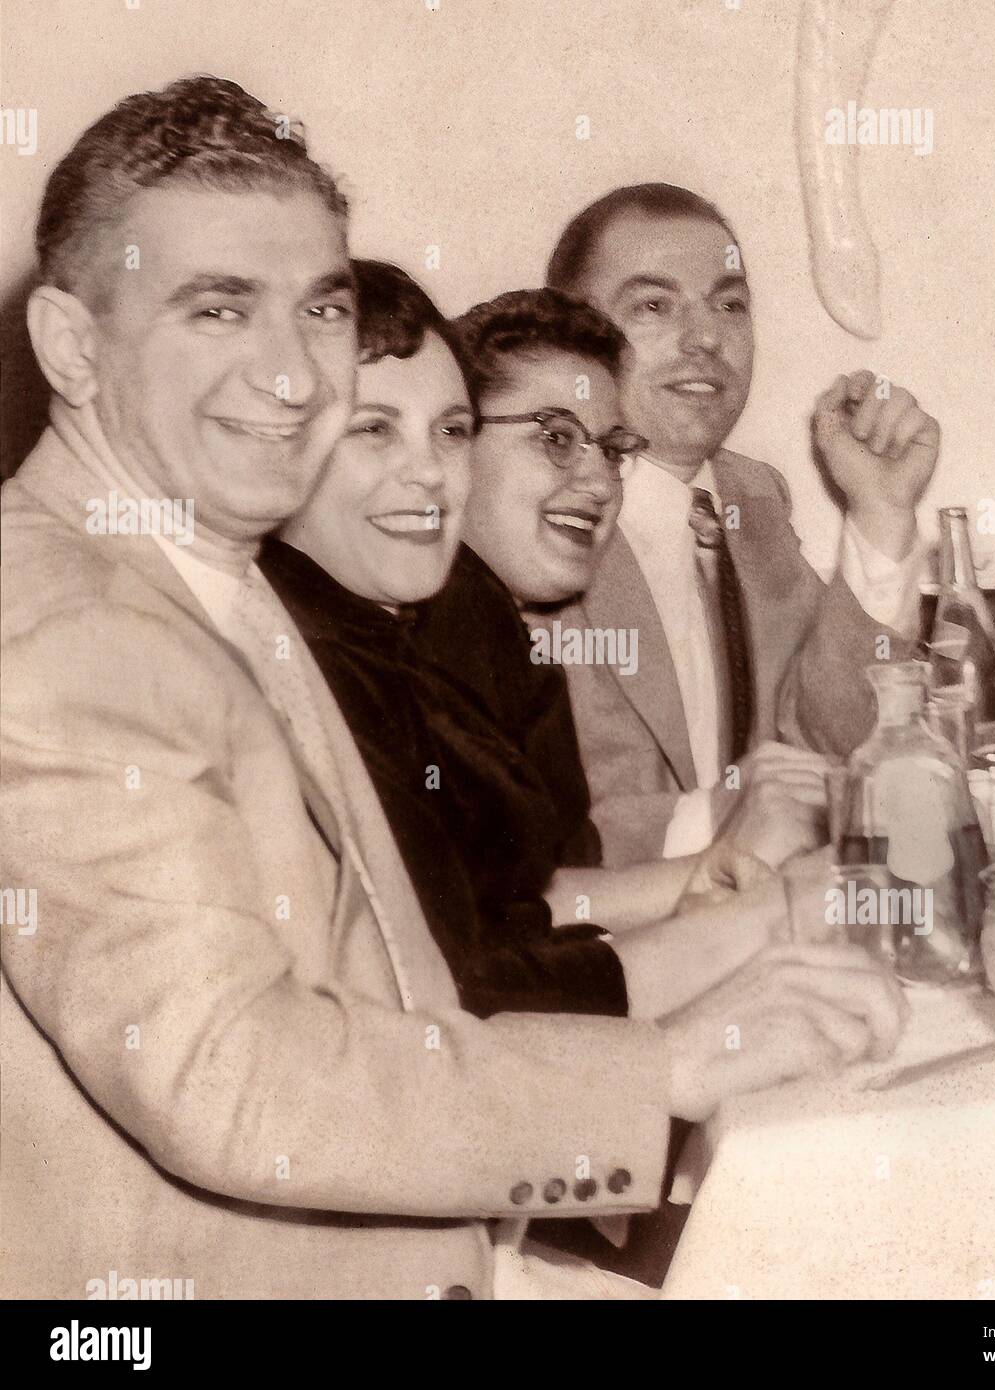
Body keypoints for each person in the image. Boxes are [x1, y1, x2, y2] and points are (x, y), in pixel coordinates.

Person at [0, 77, 905, 1302]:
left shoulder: (201, 560)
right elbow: (233, 1076)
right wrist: (672, 1066)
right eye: (219, 310)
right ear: (71, 342)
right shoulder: (59, 628)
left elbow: (403, 974)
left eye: (318, 308)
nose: (293, 377)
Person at [263, 268, 824, 1023]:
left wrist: (701, 877)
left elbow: (524, 898)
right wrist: (761, 912)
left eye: (612, 448)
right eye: (554, 438)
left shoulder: (476, 625)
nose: (598, 480)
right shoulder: (372, 642)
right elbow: (467, 992)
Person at [544, 183, 942, 866]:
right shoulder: (533, 519)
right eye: (653, 305)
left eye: (729, 304)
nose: (706, 337)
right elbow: (543, 835)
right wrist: (735, 818)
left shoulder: (753, 499)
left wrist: (880, 512)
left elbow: (834, 739)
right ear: (573, 334)